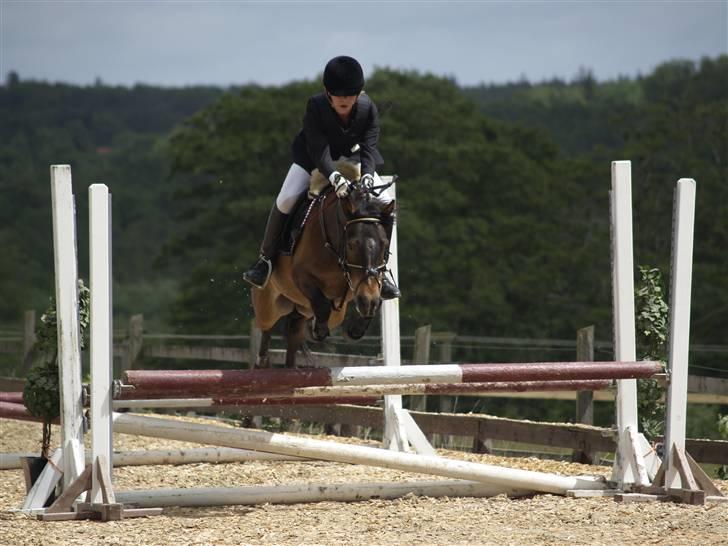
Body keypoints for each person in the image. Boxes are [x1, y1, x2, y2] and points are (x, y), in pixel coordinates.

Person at [243, 55, 401, 299]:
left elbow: (370, 147)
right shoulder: (316, 106)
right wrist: (335, 178)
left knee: (385, 204)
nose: (344, 100)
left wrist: (368, 176)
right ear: (328, 93)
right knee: (286, 199)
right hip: (313, 159)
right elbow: (319, 150)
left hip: (354, 160)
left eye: (350, 94)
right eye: (339, 95)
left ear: (360, 92)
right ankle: (265, 260)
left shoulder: (367, 109)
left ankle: (383, 272)